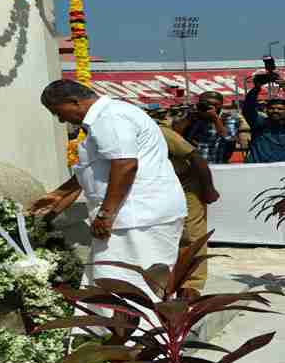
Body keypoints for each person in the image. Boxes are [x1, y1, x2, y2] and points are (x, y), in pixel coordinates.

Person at [32, 80, 187, 302]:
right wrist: (58, 194)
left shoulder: (110, 117)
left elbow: (125, 165)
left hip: (137, 218)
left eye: (58, 112)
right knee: (107, 282)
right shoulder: (104, 118)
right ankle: (113, 334)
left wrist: (105, 214)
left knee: (130, 288)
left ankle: (136, 335)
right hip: (133, 218)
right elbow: (98, 168)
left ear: (73, 101)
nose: (61, 119)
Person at [146, 105, 220, 294]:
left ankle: (191, 284)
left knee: (191, 234)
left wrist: (208, 189)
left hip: (187, 184)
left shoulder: (159, 132)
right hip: (159, 188)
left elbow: (196, 158)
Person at [174, 91, 239, 164]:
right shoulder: (192, 115)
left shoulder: (227, 117)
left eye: (214, 104)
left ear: (221, 105)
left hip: (215, 161)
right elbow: (175, 134)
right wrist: (188, 118)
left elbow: (229, 138)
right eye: (206, 103)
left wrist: (215, 119)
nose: (209, 106)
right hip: (190, 163)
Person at [241, 71, 285, 163]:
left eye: (280, 109)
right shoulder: (259, 123)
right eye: (272, 108)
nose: (275, 111)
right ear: (266, 110)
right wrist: (257, 88)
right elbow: (248, 107)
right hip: (258, 168)